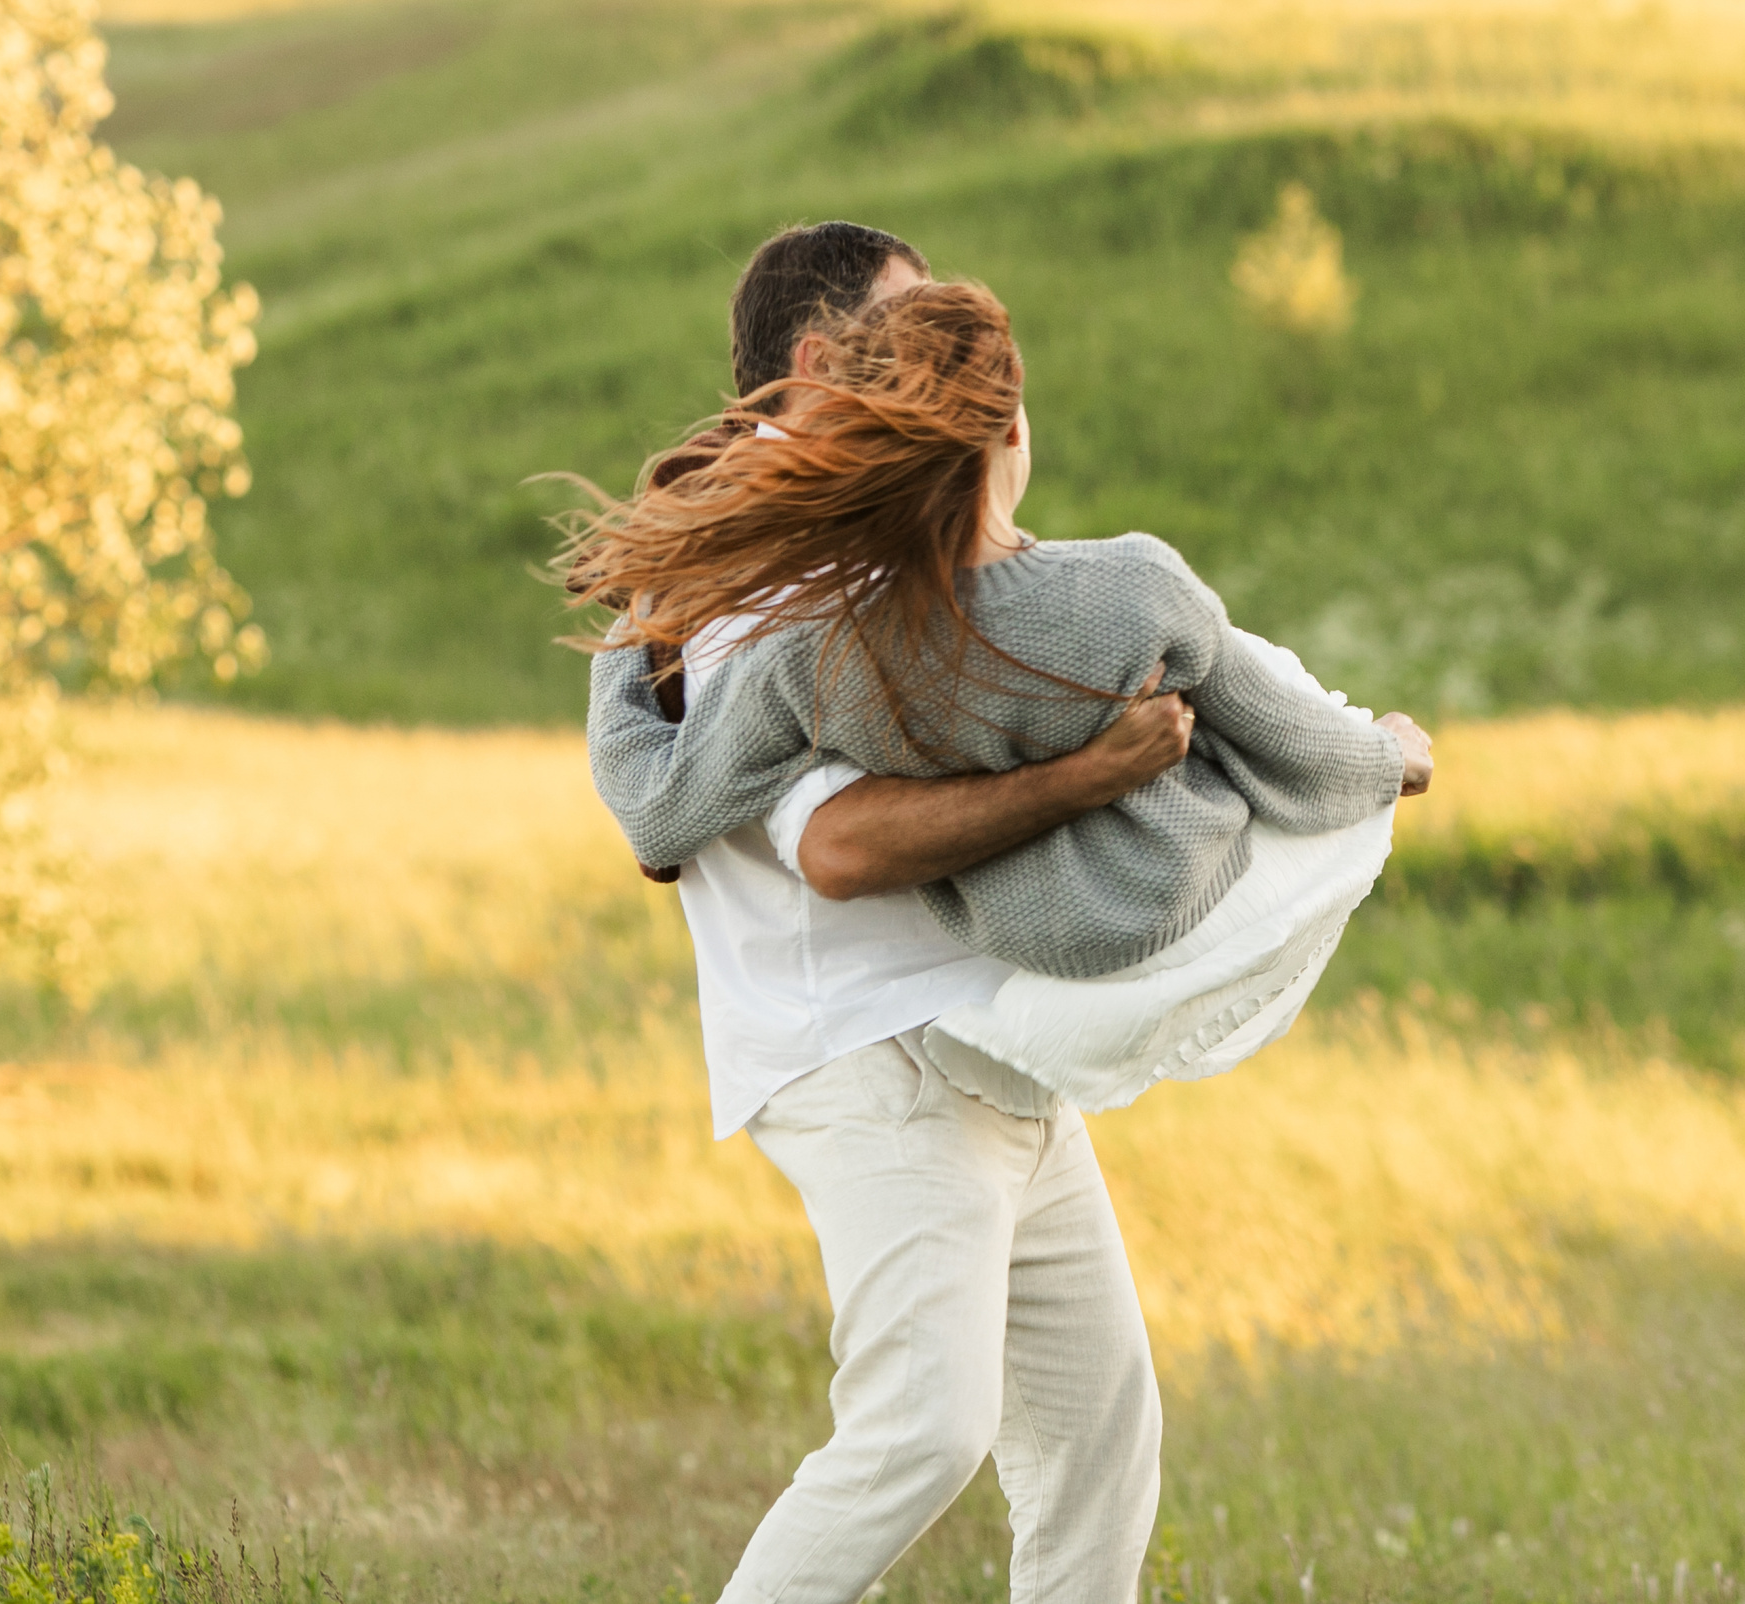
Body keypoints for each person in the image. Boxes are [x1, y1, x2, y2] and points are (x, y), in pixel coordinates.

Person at [559, 224, 1194, 1604]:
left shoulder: (871, 552)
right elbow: (840, 849)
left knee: (1098, 1435)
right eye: (909, 336)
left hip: (992, 1053)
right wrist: (1089, 774)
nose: (946, 366)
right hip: (871, 1059)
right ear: (814, 361)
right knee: (924, 1430)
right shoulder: (751, 589)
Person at [573, 280, 1435, 1115]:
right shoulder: (1132, 585)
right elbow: (1301, 751)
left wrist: (640, 615)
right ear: (1013, 428)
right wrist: (1394, 749)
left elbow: (658, 814)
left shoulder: (814, 655)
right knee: (1260, 693)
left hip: (1016, 951)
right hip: (1181, 916)